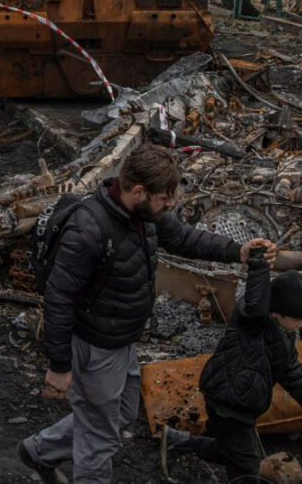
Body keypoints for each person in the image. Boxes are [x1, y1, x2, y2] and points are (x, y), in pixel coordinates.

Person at [18, 144, 277, 484]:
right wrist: (59, 365)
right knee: (100, 441)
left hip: (122, 342)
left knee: (123, 416)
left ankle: (39, 451)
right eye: (165, 197)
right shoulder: (88, 230)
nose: (171, 203)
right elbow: (59, 296)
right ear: (138, 190)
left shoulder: (144, 215)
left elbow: (185, 238)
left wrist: (237, 251)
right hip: (94, 347)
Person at [161, 259, 302, 481]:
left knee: (232, 451)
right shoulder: (252, 322)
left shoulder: (283, 334)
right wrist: (260, 265)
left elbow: (290, 369)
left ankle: (177, 441)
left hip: (242, 404)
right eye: (296, 319)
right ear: (275, 312)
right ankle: (181, 444)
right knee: (247, 467)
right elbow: (256, 300)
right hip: (228, 403)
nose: (301, 325)